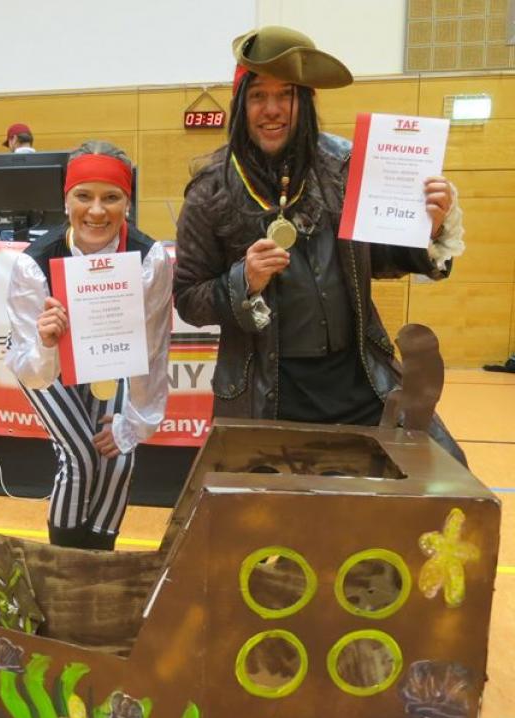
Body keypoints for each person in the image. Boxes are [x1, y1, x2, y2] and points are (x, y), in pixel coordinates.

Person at [174, 26, 466, 464]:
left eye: (286, 94)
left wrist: (429, 226)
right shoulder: (210, 191)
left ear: (307, 101)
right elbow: (188, 298)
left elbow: (378, 257)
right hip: (266, 395)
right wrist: (244, 281)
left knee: (445, 475)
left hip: (361, 382)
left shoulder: (347, 166)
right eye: (258, 95)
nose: (272, 109)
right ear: (241, 104)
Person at [5, 140, 172, 550]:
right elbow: (31, 368)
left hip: (107, 355)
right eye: (84, 196)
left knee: (118, 458)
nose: (96, 211)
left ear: (127, 203)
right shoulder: (33, 263)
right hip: (43, 361)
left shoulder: (149, 258)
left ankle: (99, 563)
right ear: (66, 201)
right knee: (79, 455)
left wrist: (135, 423)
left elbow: (151, 348)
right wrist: (47, 342)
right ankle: (64, 566)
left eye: (111, 197)